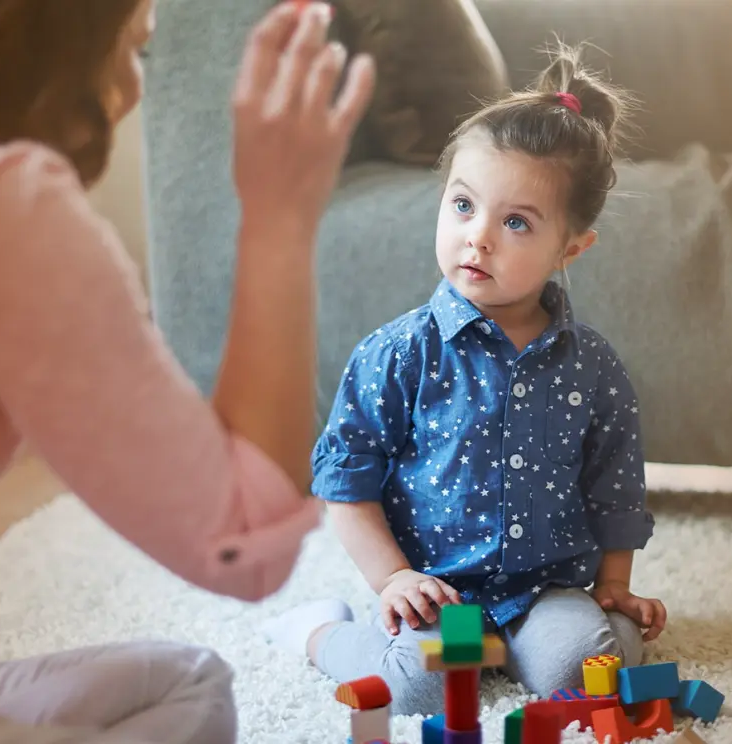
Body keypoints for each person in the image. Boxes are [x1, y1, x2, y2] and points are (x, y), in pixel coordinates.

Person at [0, 0, 374, 741]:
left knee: (183, 684)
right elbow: (239, 546)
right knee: (189, 701)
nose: (133, 90)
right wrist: (279, 218)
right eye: (133, 49)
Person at [261, 42, 668, 716]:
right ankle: (318, 630)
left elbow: (614, 486)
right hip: (437, 588)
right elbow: (345, 482)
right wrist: (393, 579)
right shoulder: (396, 354)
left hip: (546, 588)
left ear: (570, 248)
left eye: (515, 222)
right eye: (461, 206)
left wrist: (615, 582)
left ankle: (545, 639)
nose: (477, 237)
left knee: (582, 672)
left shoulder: (592, 367)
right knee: (414, 689)